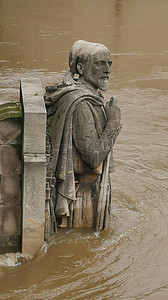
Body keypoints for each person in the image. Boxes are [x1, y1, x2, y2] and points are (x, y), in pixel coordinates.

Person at [45, 40, 122, 230]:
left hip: (85, 193)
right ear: (80, 67)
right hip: (81, 200)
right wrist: (113, 123)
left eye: (109, 63)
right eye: (99, 63)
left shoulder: (87, 97)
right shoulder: (81, 105)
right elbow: (93, 157)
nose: (107, 70)